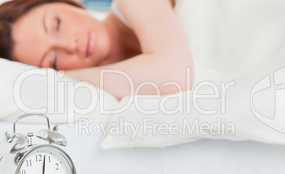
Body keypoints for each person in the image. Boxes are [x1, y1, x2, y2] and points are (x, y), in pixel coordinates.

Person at [0, 0, 194, 100]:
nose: (70, 45)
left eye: (57, 23)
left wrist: (65, 78)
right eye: (54, 60)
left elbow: (175, 76)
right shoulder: (110, 90)